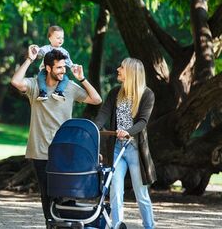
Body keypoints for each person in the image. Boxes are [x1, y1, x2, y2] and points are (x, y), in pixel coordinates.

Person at [11, 46, 102, 226]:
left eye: (64, 67)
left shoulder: (69, 87)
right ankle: (51, 224)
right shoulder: (35, 86)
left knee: (66, 193)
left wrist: (82, 78)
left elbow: (96, 99)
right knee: (46, 193)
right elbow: (15, 81)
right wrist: (29, 59)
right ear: (48, 68)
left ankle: (66, 225)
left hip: (64, 150)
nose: (63, 71)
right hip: (40, 150)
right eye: (59, 67)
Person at [94, 57, 156, 229]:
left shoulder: (147, 94)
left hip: (135, 149)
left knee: (140, 193)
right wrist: (93, 128)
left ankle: (149, 226)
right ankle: (116, 225)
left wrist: (127, 131)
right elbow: (103, 114)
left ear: (131, 72)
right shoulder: (115, 92)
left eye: (122, 67)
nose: (118, 70)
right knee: (115, 190)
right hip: (116, 149)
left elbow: (143, 121)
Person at [35, 25, 76, 101]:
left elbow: (68, 61)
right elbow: (40, 53)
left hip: (57, 72)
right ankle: (43, 92)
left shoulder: (64, 51)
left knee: (65, 79)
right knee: (40, 77)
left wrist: (73, 66)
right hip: (45, 70)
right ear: (50, 38)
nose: (60, 40)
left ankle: (58, 91)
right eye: (58, 38)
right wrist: (36, 50)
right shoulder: (46, 48)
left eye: (62, 38)